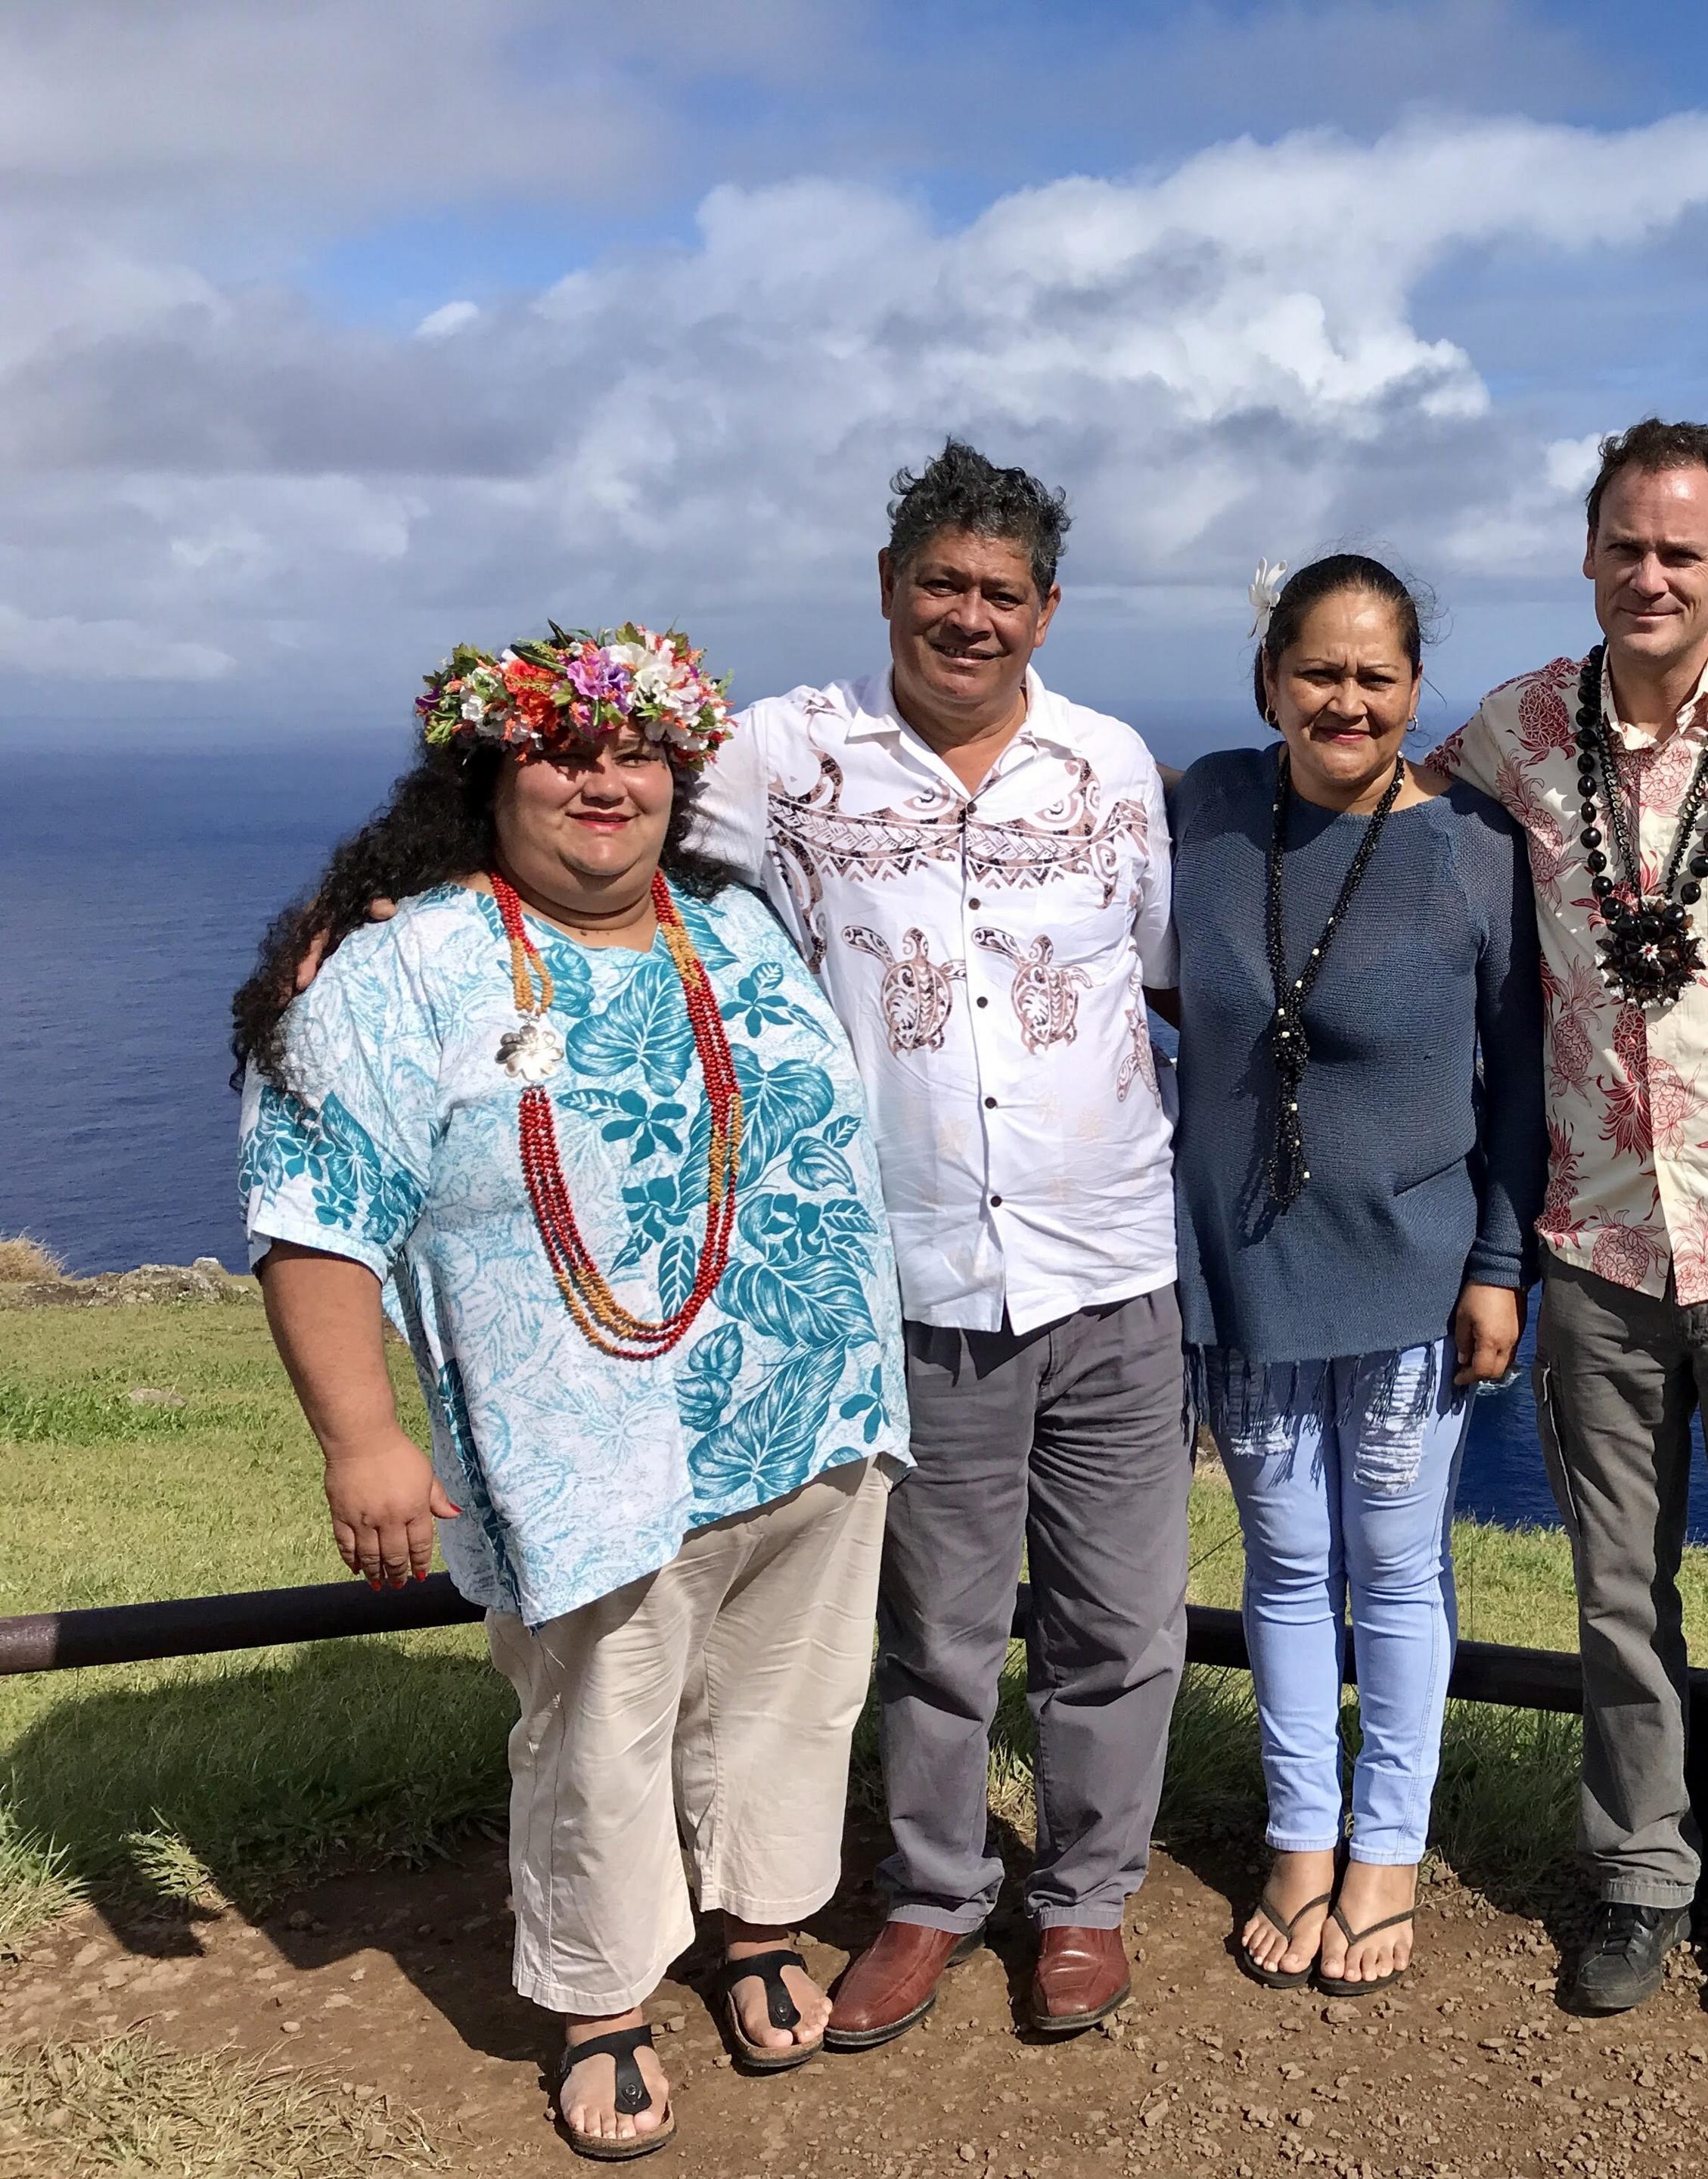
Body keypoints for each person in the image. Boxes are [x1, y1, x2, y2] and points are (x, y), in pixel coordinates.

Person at [231, 627, 908, 2162]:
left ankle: (754, 1928)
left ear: (680, 773)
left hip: (810, 1408)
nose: (605, 777)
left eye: (637, 751)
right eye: (564, 747)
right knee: (601, 1721)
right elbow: (315, 1212)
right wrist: (365, 1442)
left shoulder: (734, 925)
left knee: (789, 1698)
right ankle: (603, 1999)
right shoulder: (406, 968)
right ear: (489, 769)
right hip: (580, 1445)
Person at [692, 443, 1191, 2046]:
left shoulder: (1113, 765)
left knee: (1120, 1620)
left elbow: (1170, 972)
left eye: (1001, 592)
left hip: (1112, 1264)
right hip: (907, 1276)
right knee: (938, 1629)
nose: (968, 617)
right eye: (941, 585)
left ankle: (1088, 1900)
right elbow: (605, 851)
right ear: (890, 589)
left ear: (1049, 608)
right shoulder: (780, 755)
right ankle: (929, 1893)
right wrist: (378, 907)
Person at [1430, 419, 1708, 2021]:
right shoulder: (1520, 727)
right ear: (1591, 552)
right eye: (1628, 544)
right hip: (1595, 1237)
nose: (1653, 575)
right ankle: (1639, 1868)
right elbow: (1384, 820)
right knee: (1617, 1587)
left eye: (1684, 551)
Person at [1171, 553, 1543, 1997]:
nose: (1345, 698)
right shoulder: (1204, 806)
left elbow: (1518, 1083)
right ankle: (1301, 1837)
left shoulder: (1471, 846)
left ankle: (1387, 1847)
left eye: (1375, 675)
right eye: (1317, 671)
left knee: (1394, 1569)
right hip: (1247, 1263)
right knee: (1282, 1560)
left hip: (1413, 1262)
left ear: (1412, 689)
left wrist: (1502, 1264)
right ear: (1268, 679)